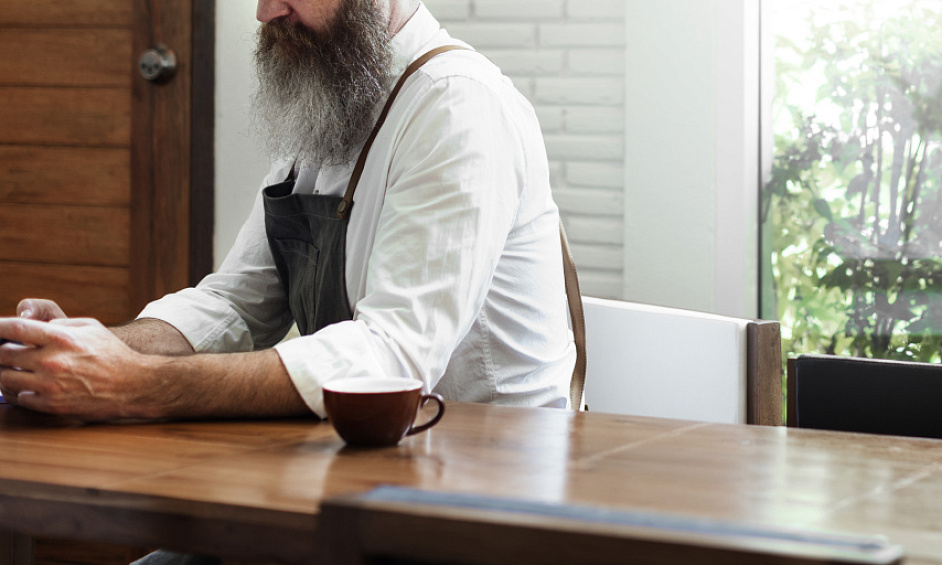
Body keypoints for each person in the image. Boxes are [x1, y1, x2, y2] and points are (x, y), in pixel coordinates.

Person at [0, 0, 574, 424]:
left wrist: (136, 384)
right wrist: (94, 348)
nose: (265, 12)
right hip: (370, 460)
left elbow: (392, 358)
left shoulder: (459, 107)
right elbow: (235, 303)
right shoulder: (337, 95)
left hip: (488, 482)